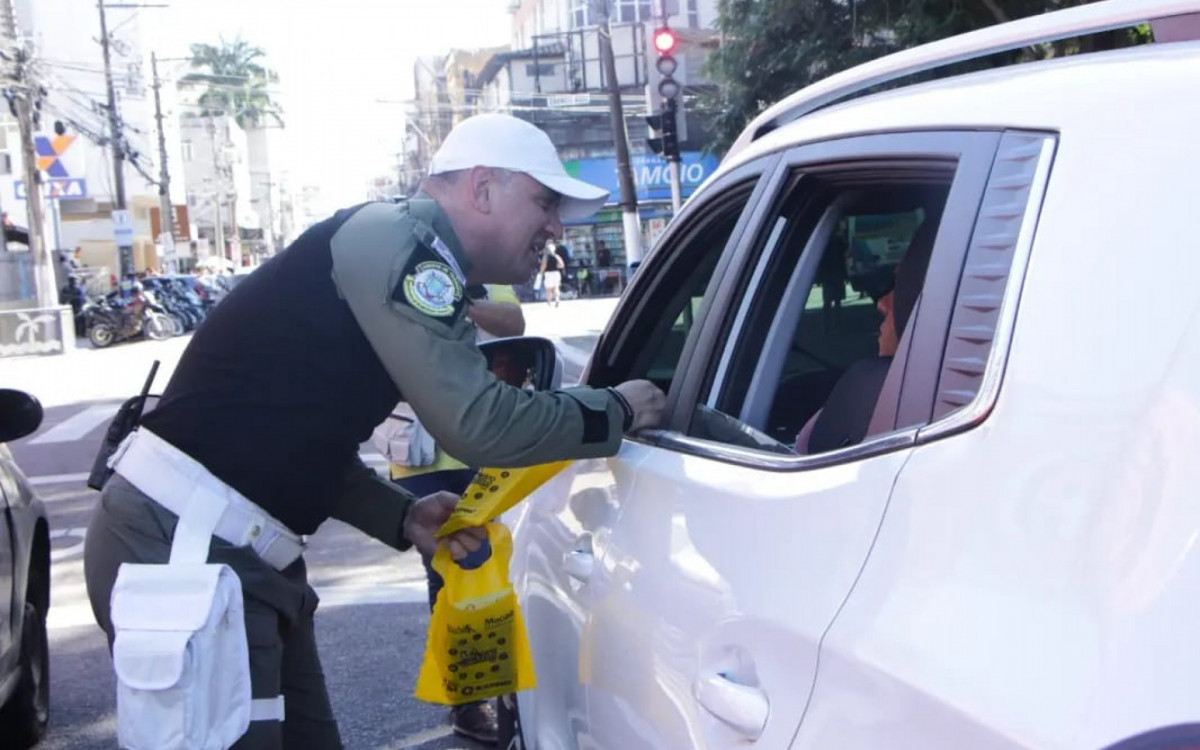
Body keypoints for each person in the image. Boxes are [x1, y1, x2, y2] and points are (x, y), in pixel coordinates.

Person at [82, 111, 665, 750]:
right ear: (483, 188)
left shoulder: (402, 248)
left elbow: (289, 431)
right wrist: (619, 410)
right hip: (187, 545)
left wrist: (403, 515)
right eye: (545, 201)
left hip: (224, 545)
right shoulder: (399, 243)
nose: (555, 226)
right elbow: (481, 424)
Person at [382, 282, 525, 744]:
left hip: (478, 452)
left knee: (479, 572)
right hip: (418, 457)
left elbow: (513, 325)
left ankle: (481, 692)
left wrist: (455, 300)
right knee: (451, 573)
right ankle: (470, 701)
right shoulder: (397, 273)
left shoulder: (483, 276)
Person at [540, 240, 565, 307]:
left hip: (548, 273)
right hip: (556, 273)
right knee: (556, 287)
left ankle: (549, 302)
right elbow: (562, 265)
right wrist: (557, 266)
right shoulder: (556, 256)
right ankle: (557, 299)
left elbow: (543, 265)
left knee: (548, 289)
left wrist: (541, 272)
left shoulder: (545, 256)